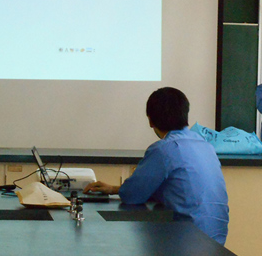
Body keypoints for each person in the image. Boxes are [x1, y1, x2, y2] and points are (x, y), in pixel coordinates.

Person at [84, 87, 229, 245]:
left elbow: (132, 195)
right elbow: (178, 189)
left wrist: (123, 189)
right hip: (216, 241)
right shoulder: (205, 145)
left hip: (187, 242)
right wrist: (113, 189)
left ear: (151, 121)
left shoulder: (163, 149)